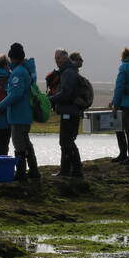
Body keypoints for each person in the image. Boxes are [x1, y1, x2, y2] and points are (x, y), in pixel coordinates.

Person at [0, 43, 39, 181]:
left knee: (19, 144)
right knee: (26, 143)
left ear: (13, 58)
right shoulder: (24, 71)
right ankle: (33, 170)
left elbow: (15, 94)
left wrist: (0, 106)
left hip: (18, 116)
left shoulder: (18, 73)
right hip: (24, 115)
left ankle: (20, 173)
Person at [49, 49, 83, 177]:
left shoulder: (68, 72)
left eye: (59, 57)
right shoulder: (69, 70)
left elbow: (66, 93)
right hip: (70, 111)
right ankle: (69, 170)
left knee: (66, 141)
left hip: (70, 111)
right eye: (55, 58)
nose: (57, 60)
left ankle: (73, 170)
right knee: (67, 141)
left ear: (65, 57)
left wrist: (50, 100)